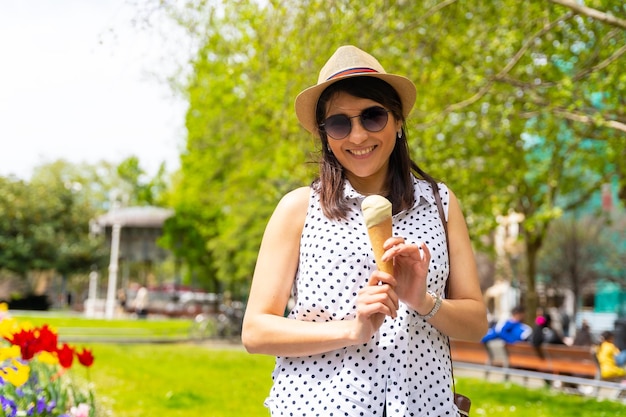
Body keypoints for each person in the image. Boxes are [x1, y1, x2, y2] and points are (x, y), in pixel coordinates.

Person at [242, 45, 488, 416]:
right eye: (339, 123)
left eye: (373, 116)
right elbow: (256, 332)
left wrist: (423, 301)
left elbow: (476, 323)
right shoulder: (298, 208)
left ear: (398, 121)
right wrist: (351, 329)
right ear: (325, 135)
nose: (357, 136)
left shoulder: (441, 204)